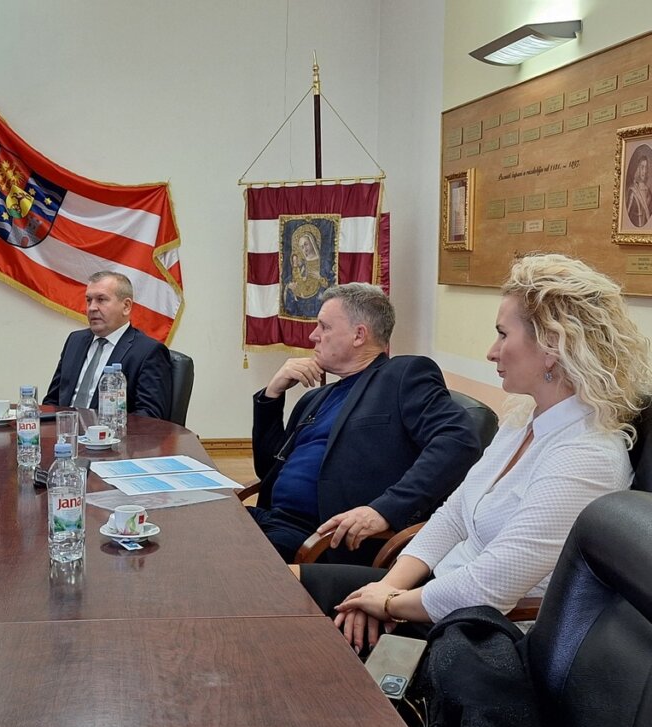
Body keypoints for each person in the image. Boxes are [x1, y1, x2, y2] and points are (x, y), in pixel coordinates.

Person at [311, 254, 652, 654]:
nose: (492, 352)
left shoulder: (586, 457)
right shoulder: (524, 420)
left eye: (503, 335)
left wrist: (387, 603)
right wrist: (386, 586)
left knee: (299, 636)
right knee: (286, 585)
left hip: (479, 633)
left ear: (552, 346)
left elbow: (490, 587)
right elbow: (453, 515)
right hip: (433, 593)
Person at [250, 283, 481, 565]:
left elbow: (458, 440)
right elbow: (268, 469)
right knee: (187, 523)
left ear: (359, 335)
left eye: (324, 327)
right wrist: (272, 394)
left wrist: (384, 510)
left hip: (320, 539)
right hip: (269, 520)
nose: (313, 335)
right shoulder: (316, 398)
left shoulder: (402, 375)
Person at [44, 271, 172, 419]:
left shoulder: (148, 352)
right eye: (89, 300)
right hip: (65, 435)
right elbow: (52, 401)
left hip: (111, 439)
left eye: (101, 299)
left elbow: (150, 416)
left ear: (126, 306)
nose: (92, 308)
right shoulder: (75, 341)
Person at [626, 153, 651, 228]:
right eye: (642, 167)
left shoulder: (648, 192)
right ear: (637, 169)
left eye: (646, 168)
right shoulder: (633, 191)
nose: (644, 171)